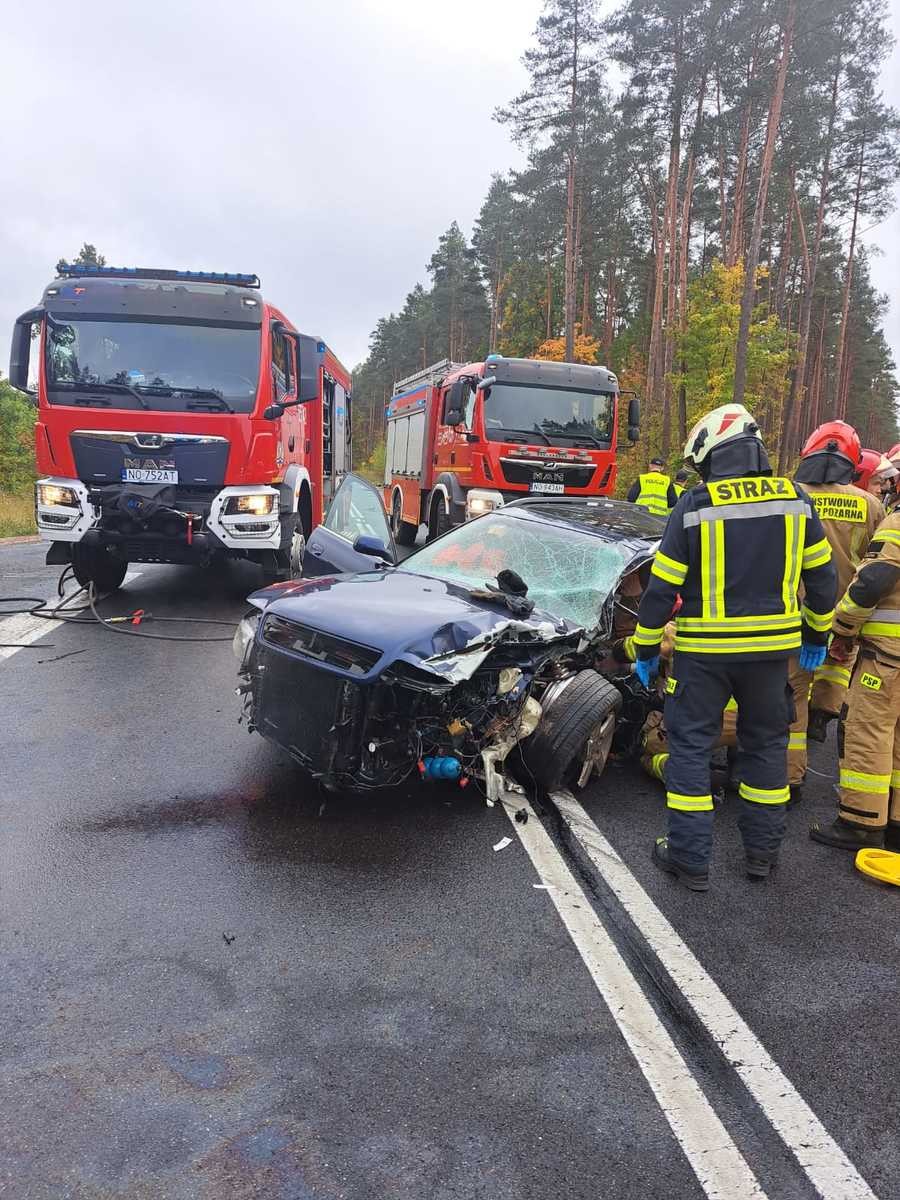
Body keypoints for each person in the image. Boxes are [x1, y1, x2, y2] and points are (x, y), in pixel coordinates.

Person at [631, 403, 836, 891]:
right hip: (771, 657)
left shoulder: (697, 504)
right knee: (766, 747)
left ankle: (689, 861)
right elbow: (823, 580)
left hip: (703, 657)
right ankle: (762, 857)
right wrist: (815, 634)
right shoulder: (795, 498)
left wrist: (643, 648)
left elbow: (661, 589)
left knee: (689, 750)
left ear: (714, 454)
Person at [787, 422, 883, 784]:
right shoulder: (870, 505)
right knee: (838, 666)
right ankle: (825, 710)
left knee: (792, 693)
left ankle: (789, 779)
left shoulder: (792, 495)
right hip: (847, 614)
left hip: (797, 610)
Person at [810, 508, 900, 852]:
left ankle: (860, 822)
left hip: (888, 657)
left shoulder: (897, 523)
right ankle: (895, 821)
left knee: (867, 731)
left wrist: (843, 626)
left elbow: (875, 579)